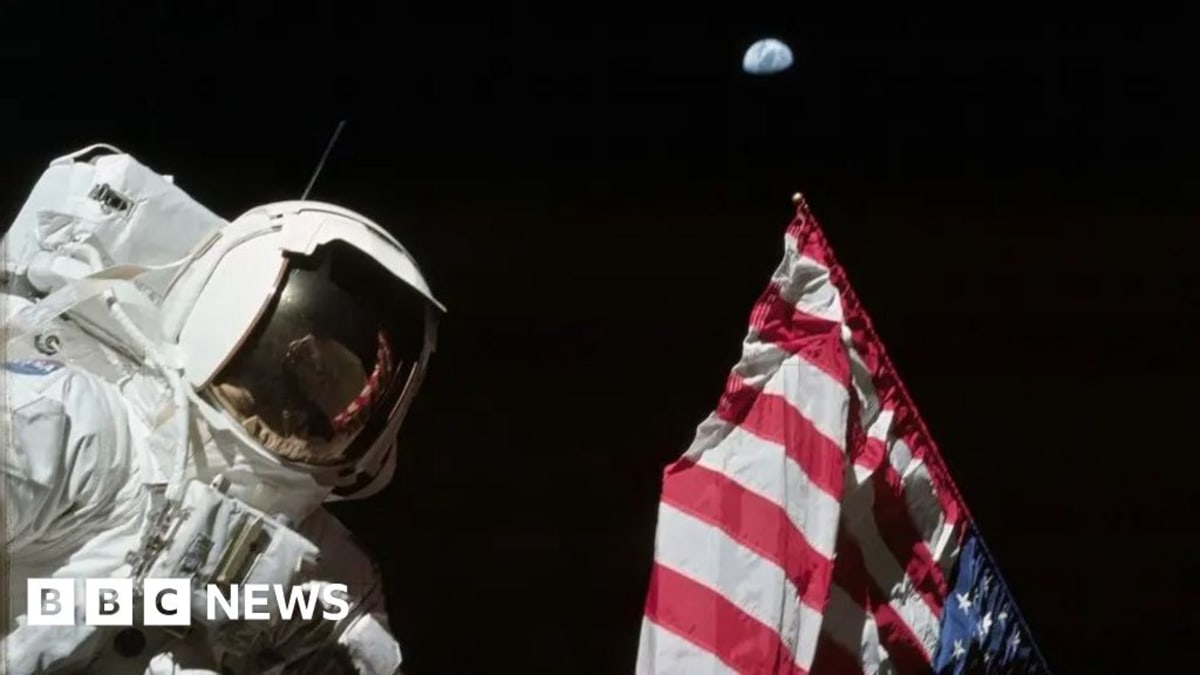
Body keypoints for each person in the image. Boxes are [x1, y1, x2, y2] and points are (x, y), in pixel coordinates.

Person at [1, 145, 444, 673]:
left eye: (339, 392)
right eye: (294, 364)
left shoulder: (329, 575)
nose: (305, 402)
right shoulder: (78, 432)